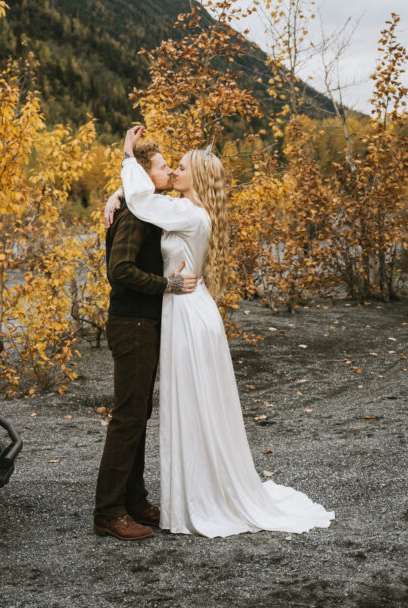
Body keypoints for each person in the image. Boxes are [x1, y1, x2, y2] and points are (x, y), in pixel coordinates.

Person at [114, 124, 335, 537]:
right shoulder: (185, 210)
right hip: (185, 309)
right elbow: (143, 204)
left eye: (180, 168)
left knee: (194, 406)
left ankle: (201, 497)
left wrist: (129, 156)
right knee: (194, 404)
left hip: (187, 312)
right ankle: (195, 492)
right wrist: (116, 194)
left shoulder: (189, 213)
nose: (175, 172)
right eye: (172, 166)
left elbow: (143, 200)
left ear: (197, 177)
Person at [93, 139, 199, 541]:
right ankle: (108, 511)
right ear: (144, 174)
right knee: (128, 417)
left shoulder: (142, 206)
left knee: (138, 415)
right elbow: (119, 269)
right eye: (162, 167)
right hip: (132, 324)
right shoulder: (135, 215)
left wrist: (121, 181)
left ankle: (134, 501)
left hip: (143, 324)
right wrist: (167, 284)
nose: (169, 172)